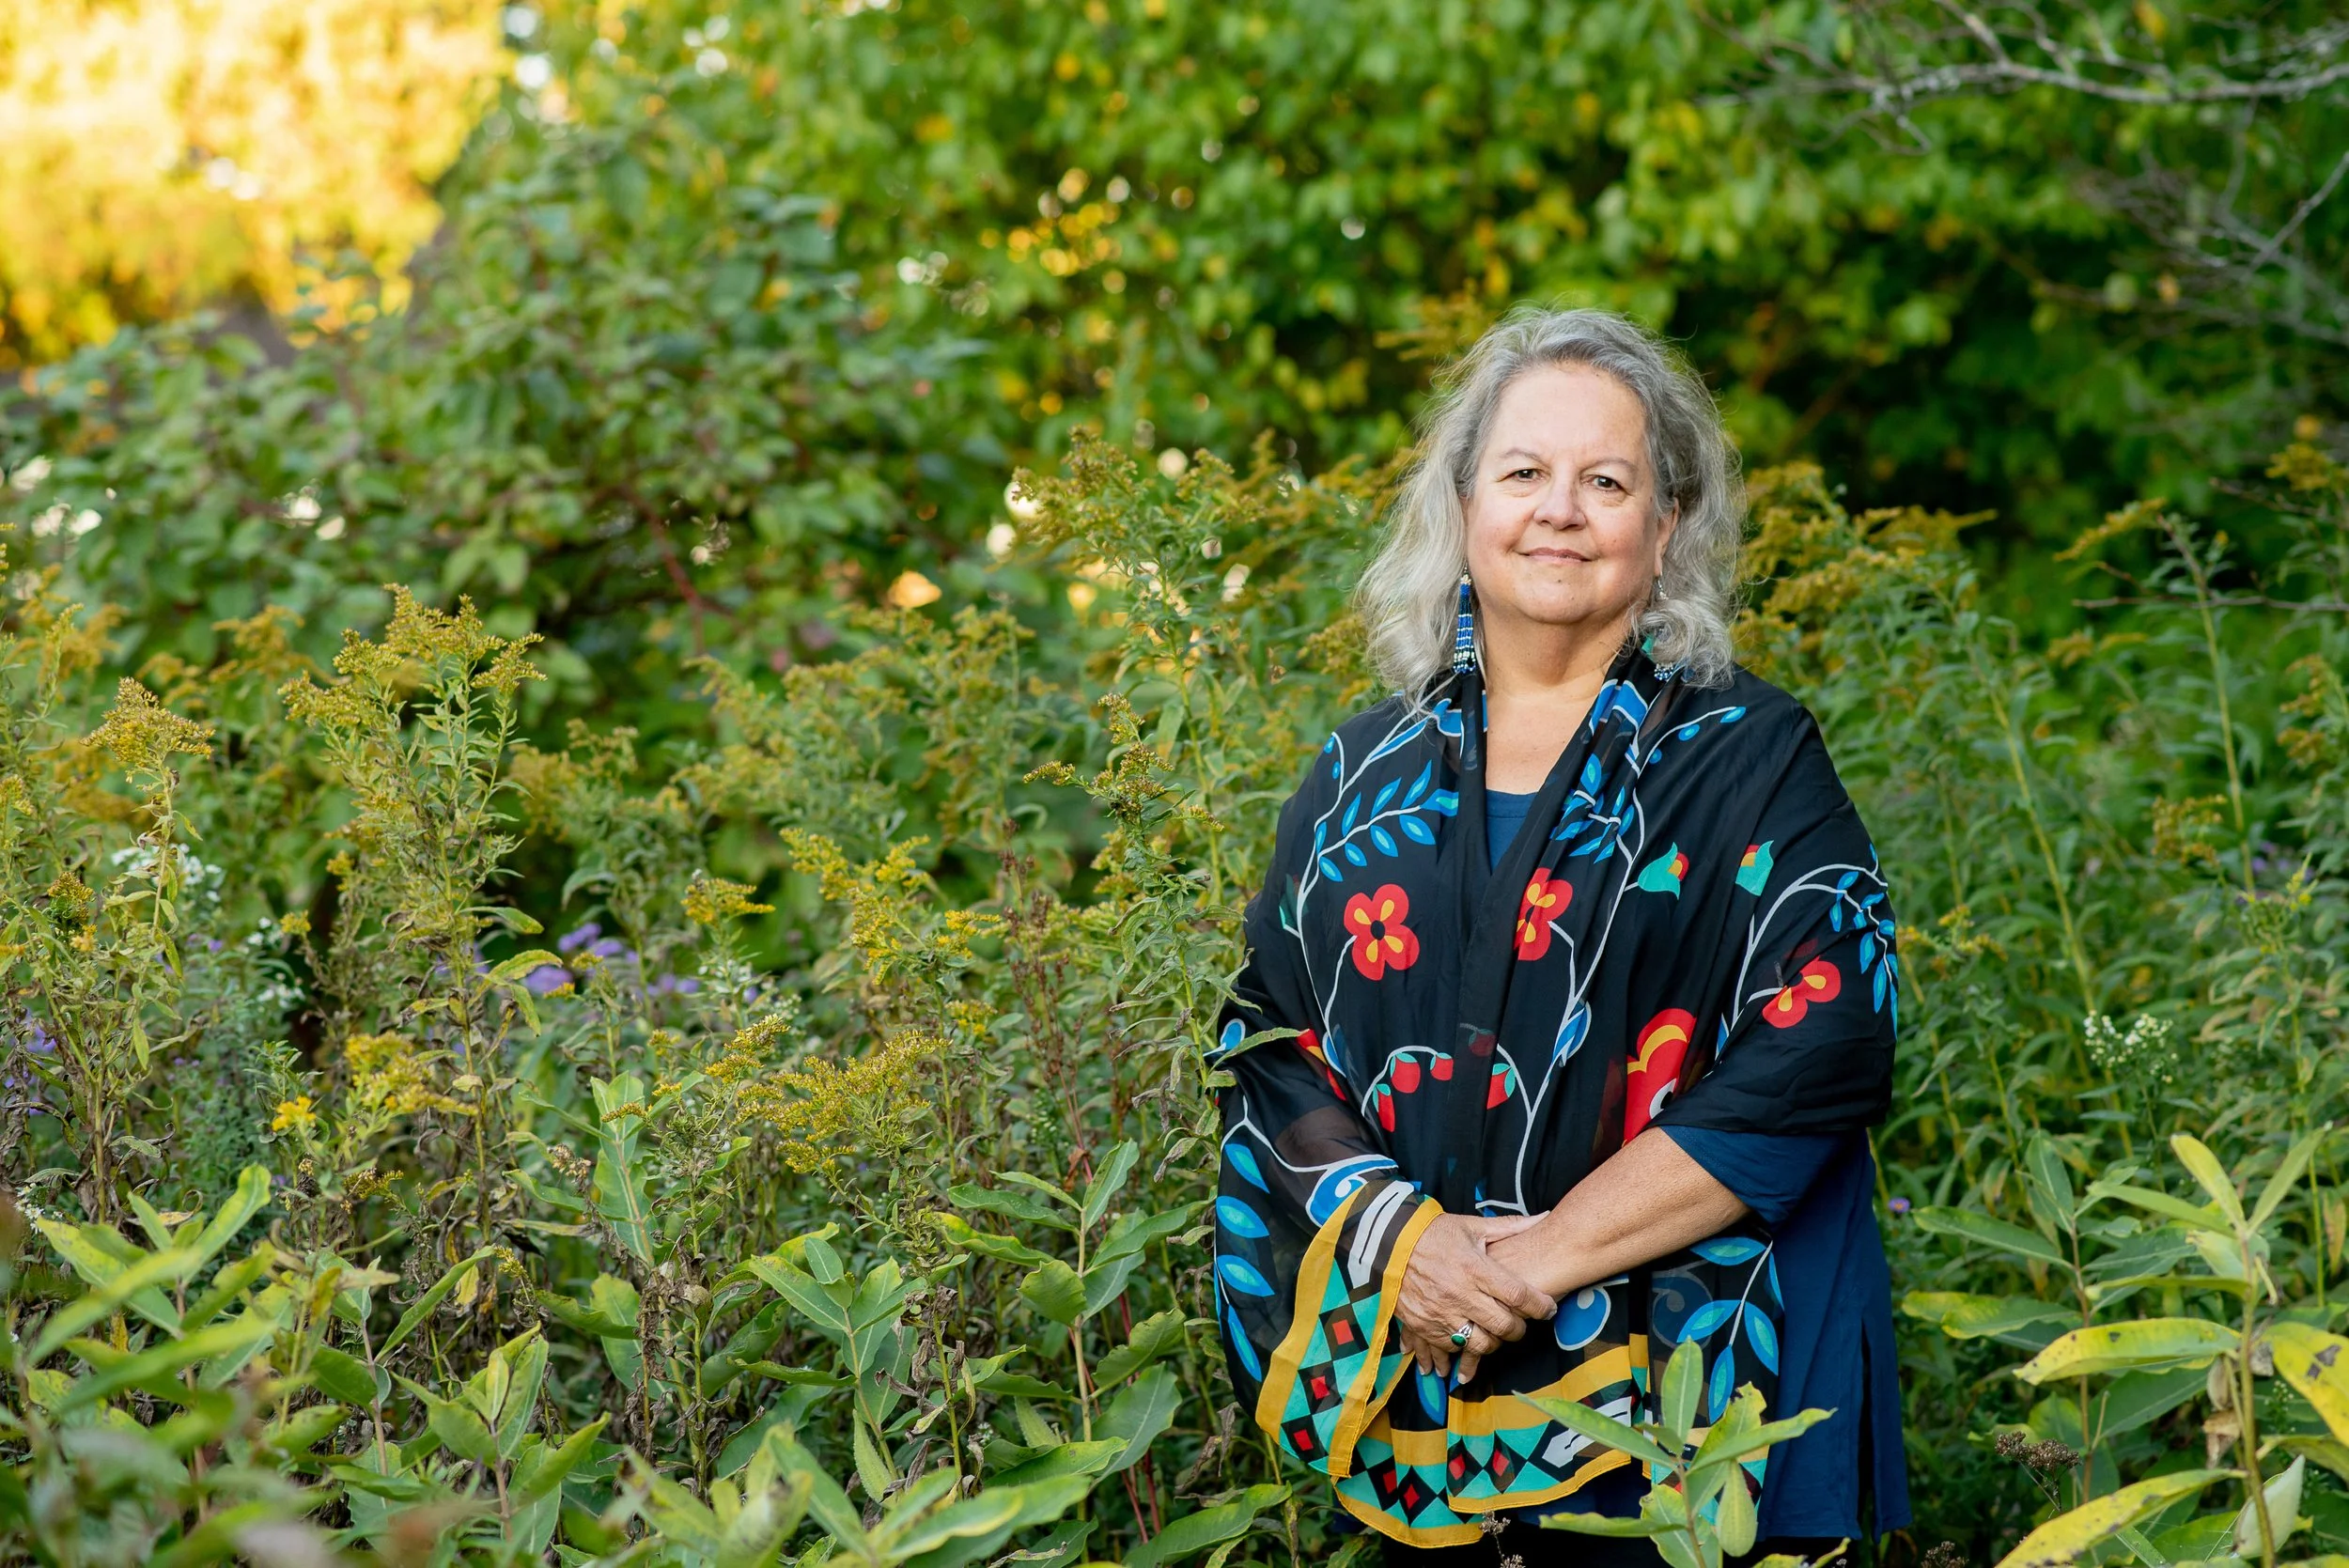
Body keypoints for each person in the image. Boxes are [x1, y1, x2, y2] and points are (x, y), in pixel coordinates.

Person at [1209, 306, 1907, 1566]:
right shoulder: (1360, 772)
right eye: (1525, 472)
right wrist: (1402, 1245)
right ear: (1465, 501)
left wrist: (1524, 1268)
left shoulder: (1752, 757)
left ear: (1667, 524)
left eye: (1607, 481)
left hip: (1697, 1399)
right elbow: (1269, 1037)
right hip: (1425, 1373)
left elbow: (1830, 1040)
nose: (1561, 510)